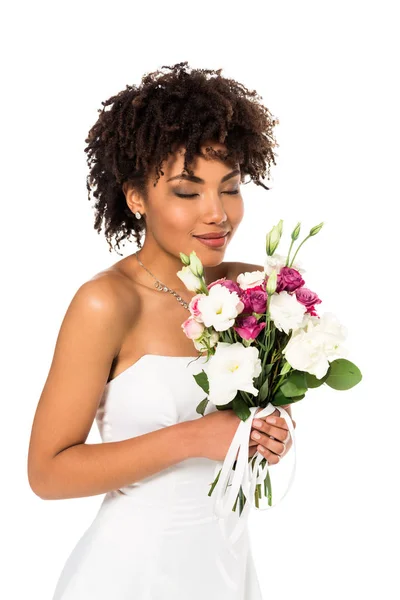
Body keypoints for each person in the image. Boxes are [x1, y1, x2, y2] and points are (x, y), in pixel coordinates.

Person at [27, 61, 296, 599]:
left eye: (231, 187)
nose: (217, 214)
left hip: (226, 571)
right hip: (127, 579)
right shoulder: (107, 302)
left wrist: (270, 432)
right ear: (135, 197)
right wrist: (196, 437)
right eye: (186, 191)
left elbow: (254, 424)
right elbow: (48, 473)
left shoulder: (256, 292)